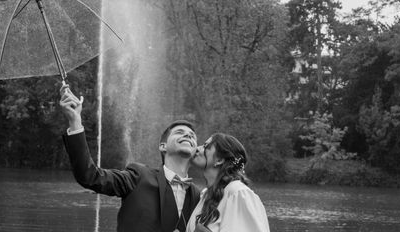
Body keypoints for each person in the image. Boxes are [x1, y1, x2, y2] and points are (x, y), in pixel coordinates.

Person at [59, 85, 201, 232]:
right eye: (180, 132)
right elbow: (89, 176)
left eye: (192, 136)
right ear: (163, 146)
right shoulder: (139, 176)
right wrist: (75, 121)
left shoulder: (199, 196)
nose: (188, 135)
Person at [186, 133, 270, 232]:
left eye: (206, 146)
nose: (198, 149)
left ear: (220, 160)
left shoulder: (238, 193)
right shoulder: (204, 195)